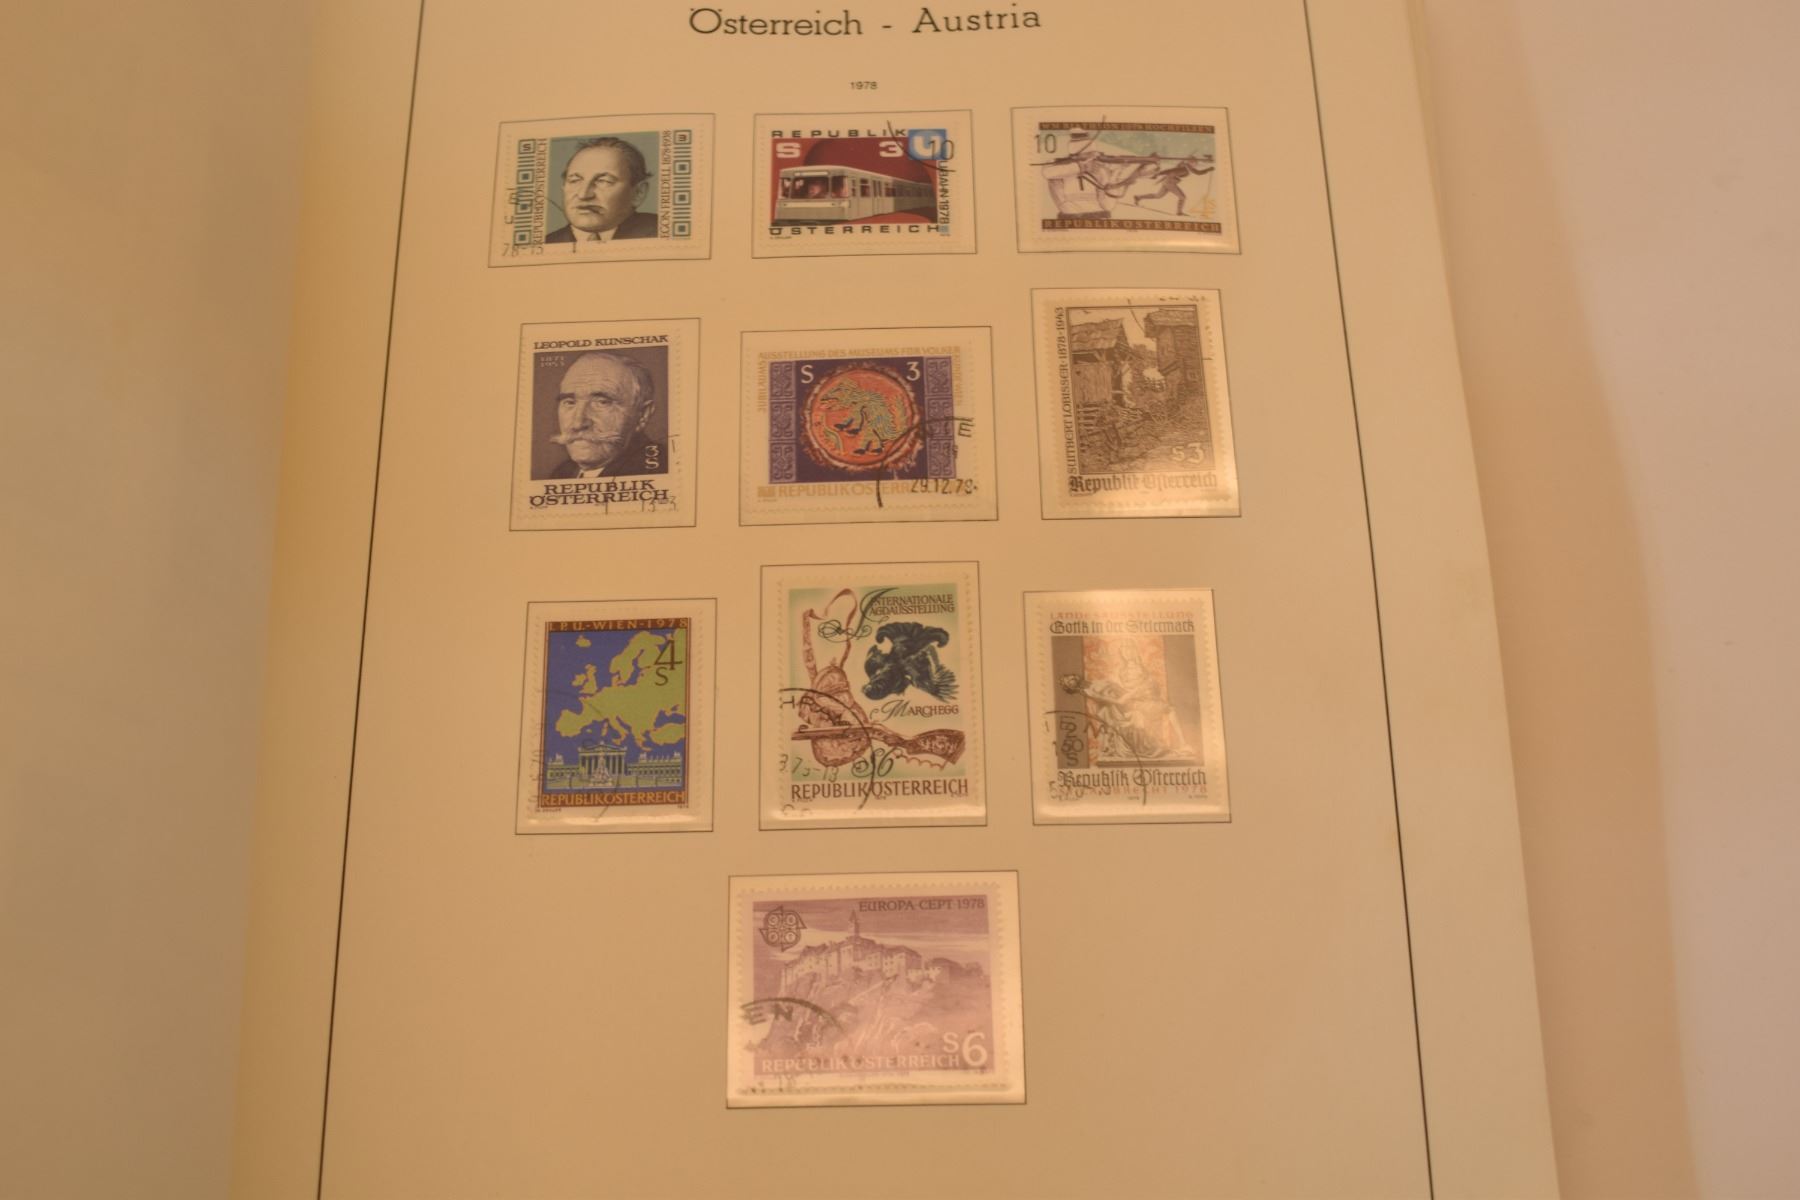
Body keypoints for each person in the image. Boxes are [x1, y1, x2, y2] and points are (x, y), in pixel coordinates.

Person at [545, 351, 665, 478]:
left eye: (602, 402)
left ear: (642, 414)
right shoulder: (562, 473)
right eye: (570, 402)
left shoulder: (658, 469)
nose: (578, 423)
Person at [544, 137, 657, 243]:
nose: (584, 195)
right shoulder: (548, 242)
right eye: (575, 180)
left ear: (638, 193)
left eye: (604, 181)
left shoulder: (661, 232)